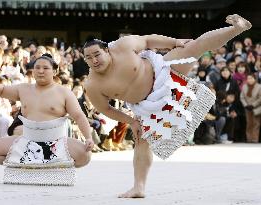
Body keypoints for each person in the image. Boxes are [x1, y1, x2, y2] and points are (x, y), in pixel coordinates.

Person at [83, 14, 252, 198]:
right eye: (88, 58)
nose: (94, 60)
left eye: (97, 54)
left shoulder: (123, 46)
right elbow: (105, 109)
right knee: (141, 141)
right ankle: (138, 187)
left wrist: (174, 42)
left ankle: (237, 28)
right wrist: (131, 121)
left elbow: (148, 40)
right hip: (145, 106)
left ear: (107, 50)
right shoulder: (92, 85)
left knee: (192, 46)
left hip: (165, 73)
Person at [0, 54, 94, 170]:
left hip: (56, 142)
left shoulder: (64, 93)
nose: (41, 71)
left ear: (54, 71)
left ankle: (50, 166)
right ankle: (26, 166)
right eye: (37, 68)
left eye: (45, 68)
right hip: (27, 140)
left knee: (85, 155)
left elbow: (79, 116)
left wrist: (88, 138)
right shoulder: (23, 89)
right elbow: (1, 91)